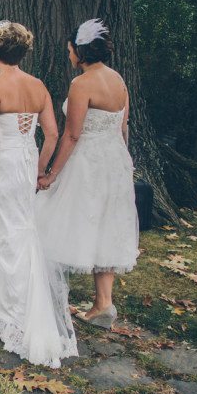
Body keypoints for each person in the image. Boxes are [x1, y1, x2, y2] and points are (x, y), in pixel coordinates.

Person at [0, 21, 76, 368]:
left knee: (10, 231)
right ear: (22, 52)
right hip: (25, 163)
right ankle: (0, 296)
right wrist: (39, 169)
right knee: (15, 226)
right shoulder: (38, 86)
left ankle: (17, 308)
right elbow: (52, 134)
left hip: (3, 165)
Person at [36, 19, 139, 329]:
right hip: (116, 161)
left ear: (80, 52)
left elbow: (72, 135)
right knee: (105, 224)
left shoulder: (81, 84)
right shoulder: (119, 81)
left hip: (88, 163)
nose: (69, 56)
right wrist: (124, 163)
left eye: (70, 51)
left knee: (51, 219)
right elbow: (123, 128)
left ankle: (43, 295)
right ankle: (103, 302)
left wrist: (51, 174)